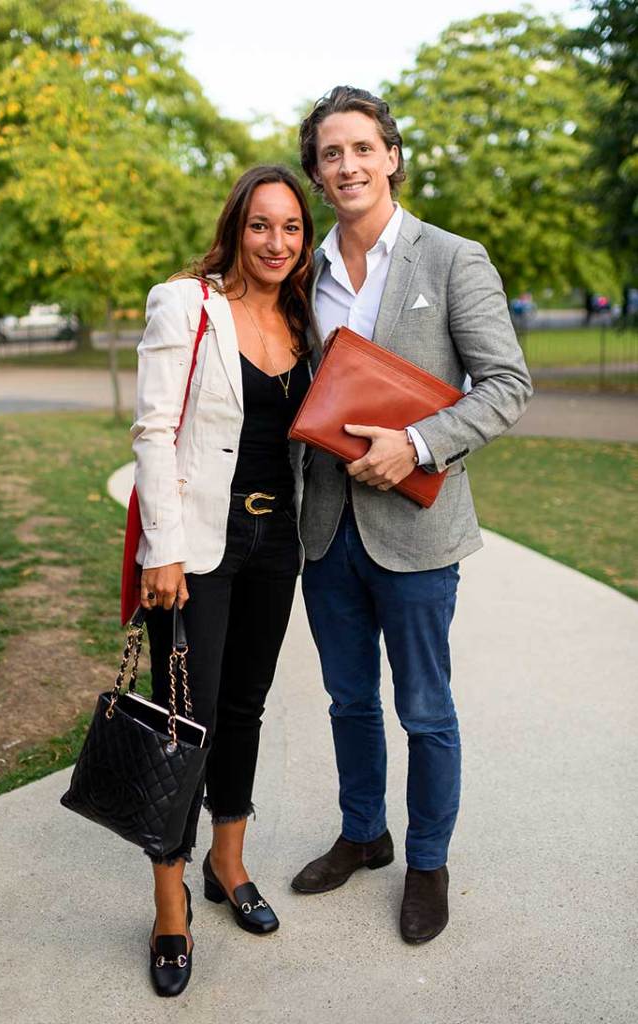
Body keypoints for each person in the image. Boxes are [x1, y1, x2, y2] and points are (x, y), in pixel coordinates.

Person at [291, 87, 533, 944]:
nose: (347, 165)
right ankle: (365, 835)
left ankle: (427, 860)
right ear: (316, 174)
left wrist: (420, 444)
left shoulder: (452, 258)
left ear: (391, 155)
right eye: (330, 154)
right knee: (347, 702)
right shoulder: (304, 271)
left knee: (424, 709)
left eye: (362, 148)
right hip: (323, 531)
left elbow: (507, 386)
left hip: (419, 535)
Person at [131, 165, 313, 996]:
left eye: (291, 229)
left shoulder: (305, 316)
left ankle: (226, 865)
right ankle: (170, 905)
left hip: (279, 542)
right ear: (235, 226)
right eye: (260, 226)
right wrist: (162, 548)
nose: (276, 243)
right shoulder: (187, 303)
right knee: (185, 718)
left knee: (244, 705)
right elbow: (154, 427)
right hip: (200, 542)